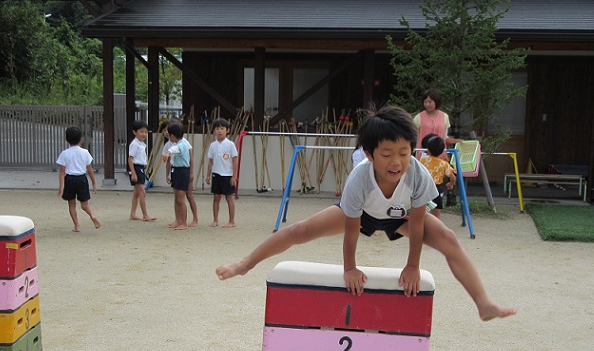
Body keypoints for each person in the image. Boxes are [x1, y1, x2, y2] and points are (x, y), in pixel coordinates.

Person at [216, 105, 515, 322]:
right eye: (386, 154)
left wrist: (412, 266)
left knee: (449, 238)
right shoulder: (359, 178)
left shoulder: (418, 174)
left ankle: (483, 303)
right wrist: (350, 268)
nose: (396, 161)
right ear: (370, 155)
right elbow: (351, 228)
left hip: (401, 218)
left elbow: (420, 222)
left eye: (404, 152)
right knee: (300, 230)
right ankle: (246, 263)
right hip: (362, 216)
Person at [56, 126, 101, 232]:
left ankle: (77, 226)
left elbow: (62, 172)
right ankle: (92, 215)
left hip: (70, 179)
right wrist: (94, 183)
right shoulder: (85, 152)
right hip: (82, 179)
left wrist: (61, 188)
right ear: (81, 139)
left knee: (72, 204)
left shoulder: (65, 153)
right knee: (85, 205)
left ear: (66, 139)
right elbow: (90, 170)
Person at [161, 120, 198, 227]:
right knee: (177, 198)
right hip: (175, 170)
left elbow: (175, 150)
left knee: (184, 198)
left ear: (173, 135)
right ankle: (178, 220)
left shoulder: (182, 144)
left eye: (168, 131)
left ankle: (185, 222)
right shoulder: (170, 143)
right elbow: (168, 161)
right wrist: (167, 174)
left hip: (183, 171)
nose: (166, 133)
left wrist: (168, 152)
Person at [205, 118, 239, 227]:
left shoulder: (230, 144)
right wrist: (208, 175)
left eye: (222, 128)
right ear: (214, 131)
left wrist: (234, 176)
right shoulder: (213, 145)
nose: (219, 131)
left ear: (227, 130)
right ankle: (215, 220)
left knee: (229, 198)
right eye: (217, 129)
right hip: (216, 174)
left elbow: (234, 161)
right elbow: (211, 161)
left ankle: (232, 221)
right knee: (216, 197)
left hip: (227, 175)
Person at [413, 89, 461, 160]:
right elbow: (413, 136)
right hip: (424, 156)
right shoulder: (418, 117)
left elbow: (445, 137)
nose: (427, 104)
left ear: (436, 101)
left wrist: (456, 141)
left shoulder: (444, 117)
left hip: (440, 155)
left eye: (430, 102)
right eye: (425, 102)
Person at [418, 134, 456, 219]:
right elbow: (453, 177)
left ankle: (423, 229)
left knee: (423, 213)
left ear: (427, 150)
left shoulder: (423, 160)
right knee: (436, 214)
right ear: (442, 151)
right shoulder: (444, 164)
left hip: (425, 188)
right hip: (437, 189)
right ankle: (436, 230)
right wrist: (450, 183)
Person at [128, 120, 157, 222]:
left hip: (140, 168)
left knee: (136, 193)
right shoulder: (135, 144)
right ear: (135, 132)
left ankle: (133, 214)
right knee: (142, 193)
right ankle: (145, 215)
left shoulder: (140, 143)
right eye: (141, 131)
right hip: (136, 168)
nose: (144, 134)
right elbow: (130, 159)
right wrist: (134, 173)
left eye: (145, 132)